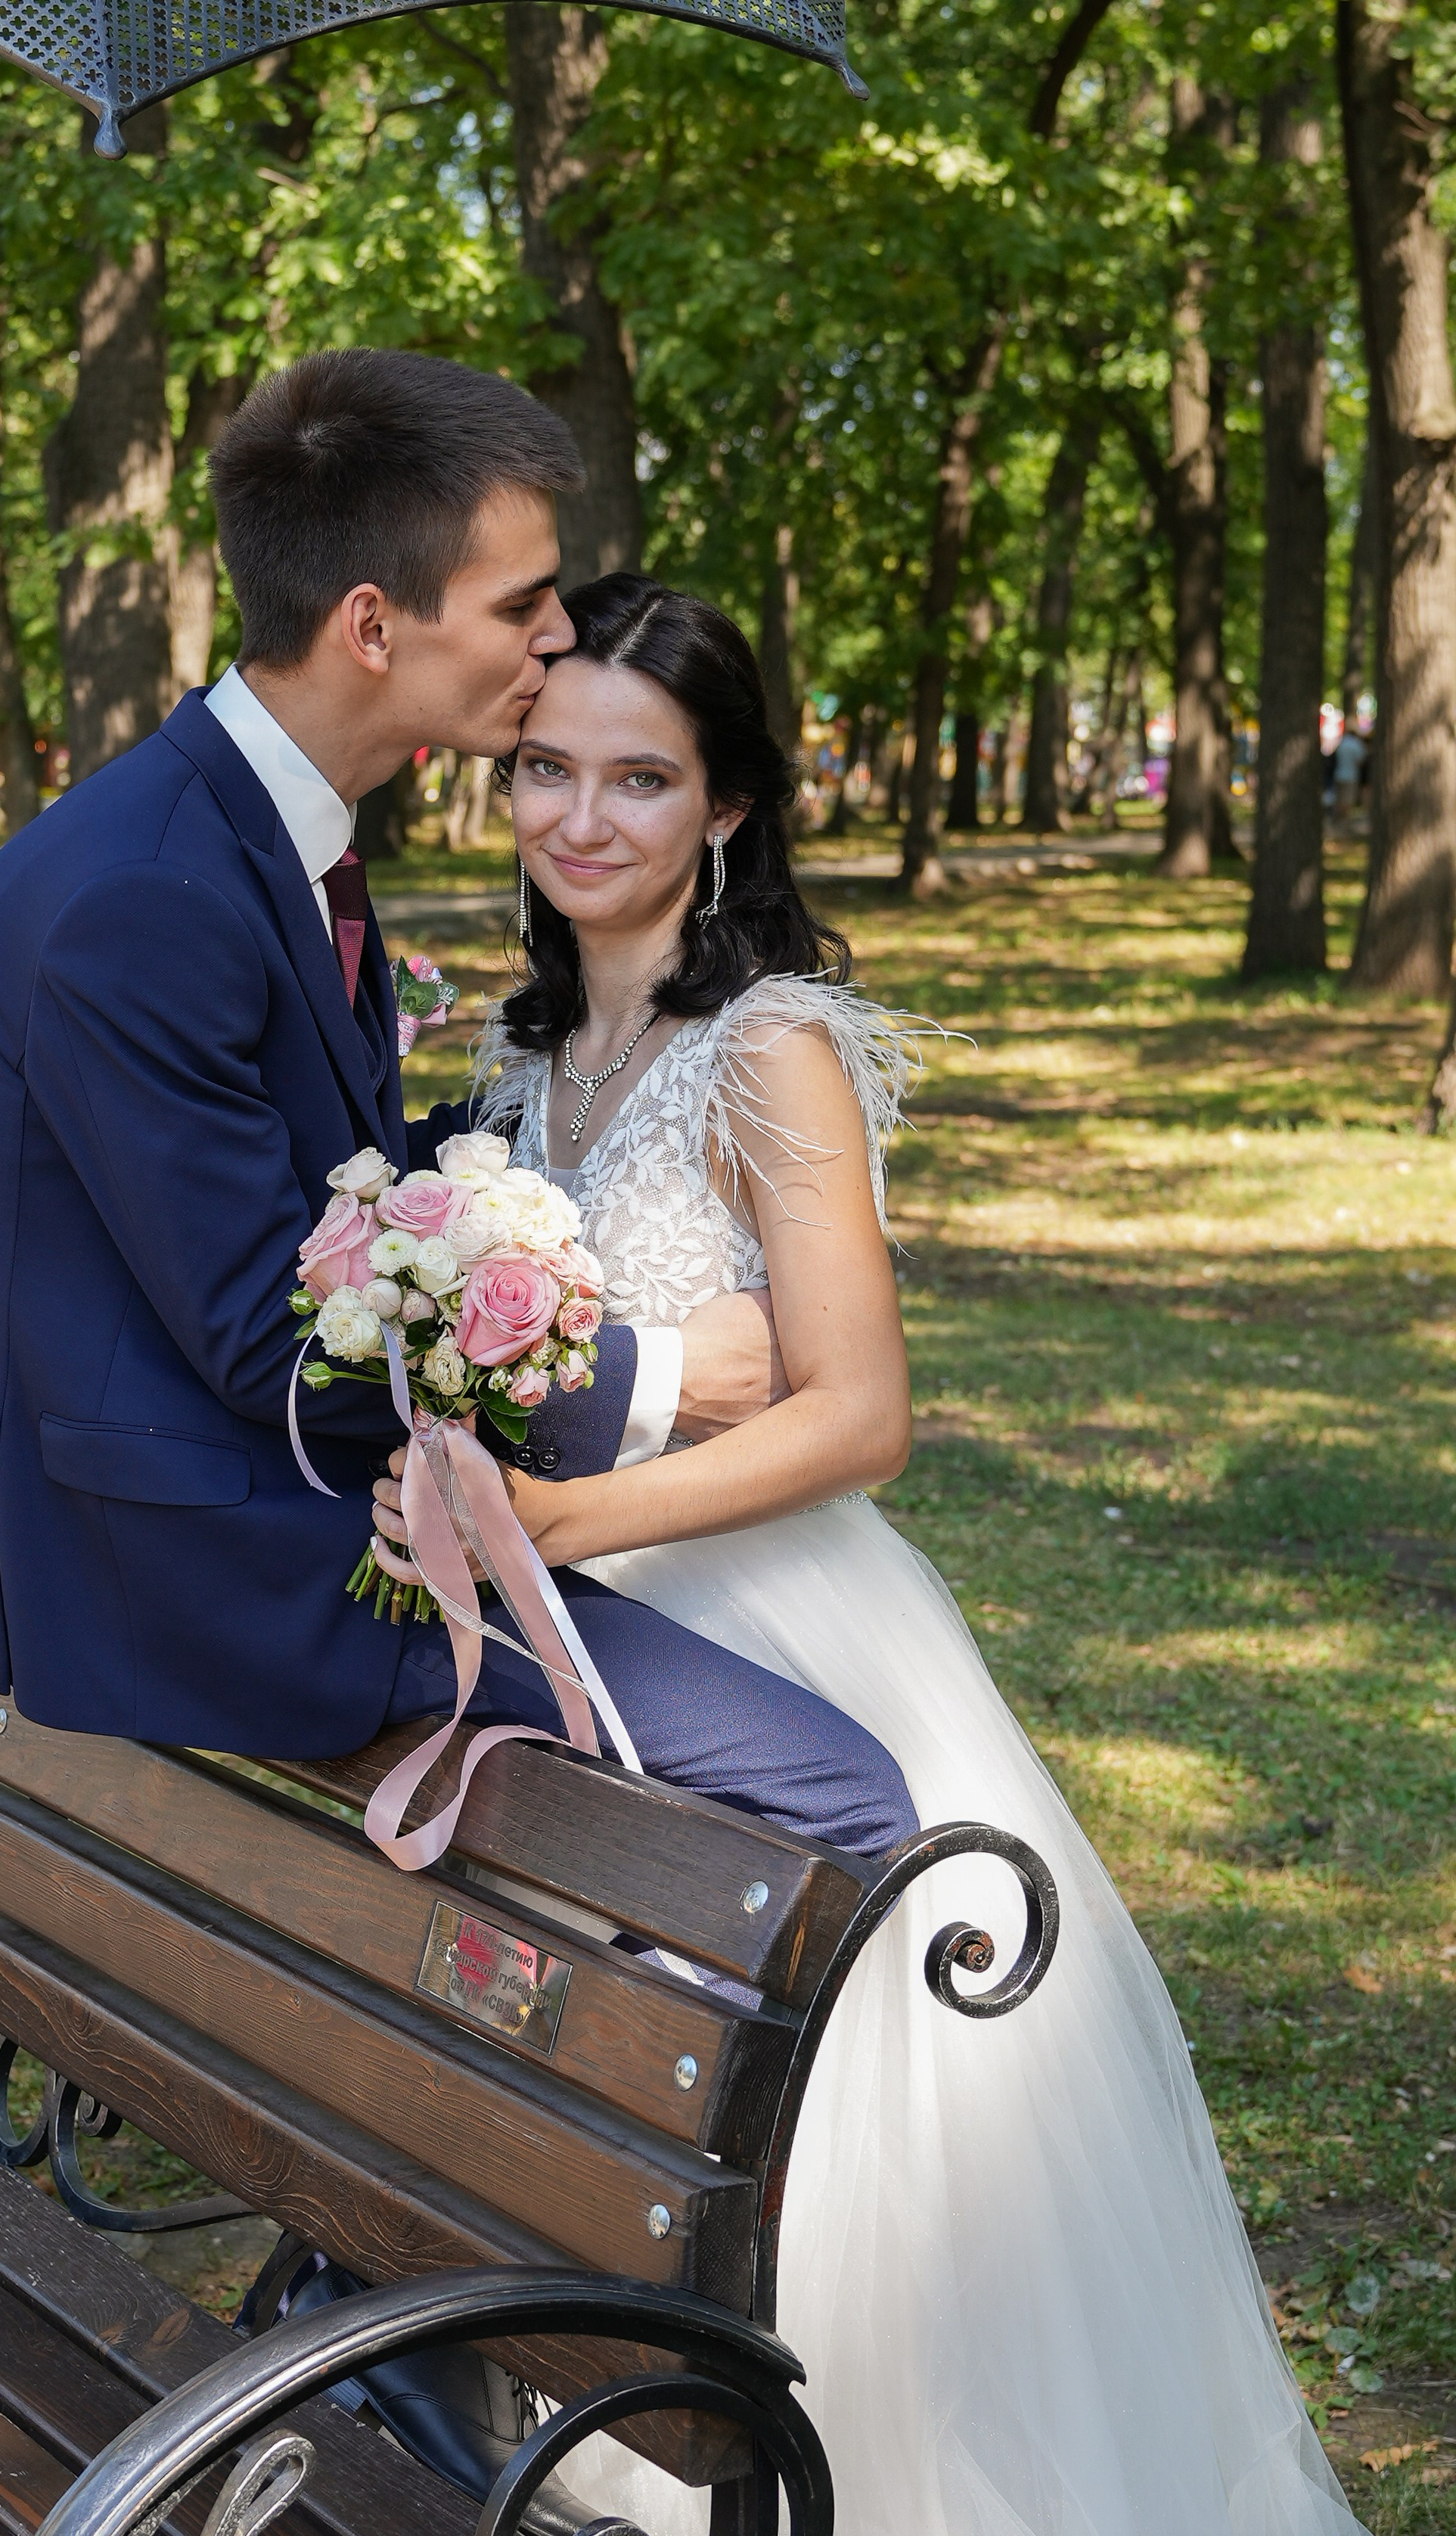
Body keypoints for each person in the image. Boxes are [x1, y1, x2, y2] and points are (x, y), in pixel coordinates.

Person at [374, 574, 1358, 2536]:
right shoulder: (524, 1056)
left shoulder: (769, 1052)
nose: (581, 819)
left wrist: (572, 1520)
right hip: (585, 1638)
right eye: (547, 772)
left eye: (640, 779)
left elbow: (859, 1411)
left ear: (728, 805)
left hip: (770, 1620)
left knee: (840, 2107)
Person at [0, 352, 911, 1868]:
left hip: (287, 1507)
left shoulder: (248, 841)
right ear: (372, 626)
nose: (554, 635)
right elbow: (265, 1337)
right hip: (218, 1560)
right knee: (844, 1800)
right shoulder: (146, 895)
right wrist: (661, 1376)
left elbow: (319, 1188)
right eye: (520, 604)